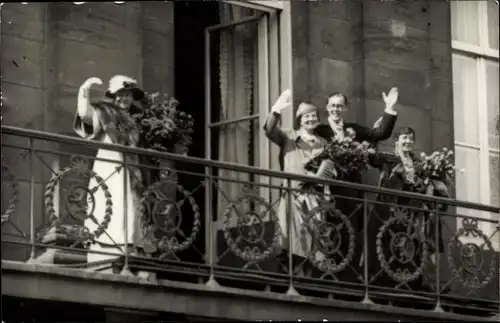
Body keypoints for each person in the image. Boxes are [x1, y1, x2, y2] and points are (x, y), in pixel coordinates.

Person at [312, 88, 399, 284]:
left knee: (349, 230)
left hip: (351, 189)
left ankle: (345, 275)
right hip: (327, 189)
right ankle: (326, 273)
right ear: (327, 108)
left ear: (345, 108)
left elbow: (379, 133)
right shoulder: (320, 131)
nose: (336, 109)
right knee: (327, 229)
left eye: (339, 106)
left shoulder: (354, 130)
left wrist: (389, 108)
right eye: (333, 105)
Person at [74, 75, 146, 273]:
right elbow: (86, 115)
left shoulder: (132, 121)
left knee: (129, 205)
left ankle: (127, 249)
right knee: (109, 202)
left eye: (128, 95)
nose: (124, 99)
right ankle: (104, 252)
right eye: (121, 95)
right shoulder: (105, 112)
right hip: (109, 164)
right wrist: (84, 90)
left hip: (129, 167)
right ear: (114, 96)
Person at [367, 126, 447, 291]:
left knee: (410, 246)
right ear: (396, 141)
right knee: (389, 244)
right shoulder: (388, 159)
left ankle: (411, 283)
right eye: (404, 138)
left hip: (412, 213)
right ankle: (386, 281)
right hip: (390, 210)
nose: (408, 141)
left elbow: (426, 186)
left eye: (411, 138)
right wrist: (374, 136)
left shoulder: (419, 164)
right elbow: (371, 158)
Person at [263, 89, 328, 274]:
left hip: (315, 196)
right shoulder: (289, 137)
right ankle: (294, 276)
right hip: (294, 194)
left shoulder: (323, 142)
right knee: (292, 237)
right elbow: (269, 130)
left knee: (315, 236)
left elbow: (331, 168)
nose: (310, 119)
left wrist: (321, 176)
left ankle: (310, 276)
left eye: (313, 116)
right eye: (306, 116)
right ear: (300, 119)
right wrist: (277, 109)